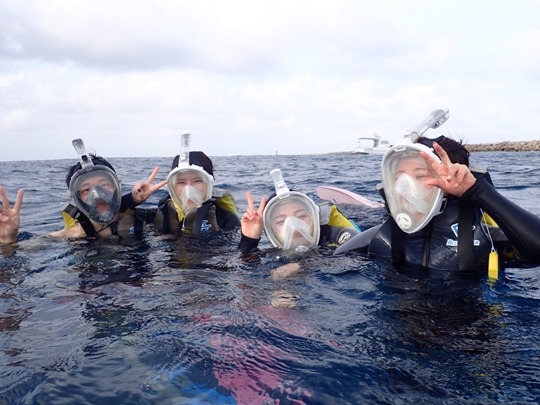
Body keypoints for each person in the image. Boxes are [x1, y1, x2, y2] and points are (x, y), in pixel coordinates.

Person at [337, 134, 540, 275]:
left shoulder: (488, 238)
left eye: (420, 175)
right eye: (400, 178)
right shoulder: (384, 237)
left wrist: (477, 191)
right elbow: (329, 262)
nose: (403, 189)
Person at [51, 138, 166, 238]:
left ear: (116, 187)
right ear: (77, 198)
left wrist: (133, 199)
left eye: (104, 185)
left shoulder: (144, 221)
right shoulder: (66, 237)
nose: (97, 194)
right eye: (86, 190)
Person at [239, 168, 361, 254]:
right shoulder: (270, 254)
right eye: (281, 222)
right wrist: (249, 241)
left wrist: (303, 267)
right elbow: (242, 275)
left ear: (314, 217)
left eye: (301, 216)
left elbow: (361, 252)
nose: (294, 226)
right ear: (271, 231)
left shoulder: (335, 238)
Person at [154, 132, 240, 236]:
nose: (188, 190)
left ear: (208, 184)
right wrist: (134, 199)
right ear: (172, 187)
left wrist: (250, 239)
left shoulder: (226, 219)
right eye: (181, 182)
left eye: (197, 181)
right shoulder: (163, 214)